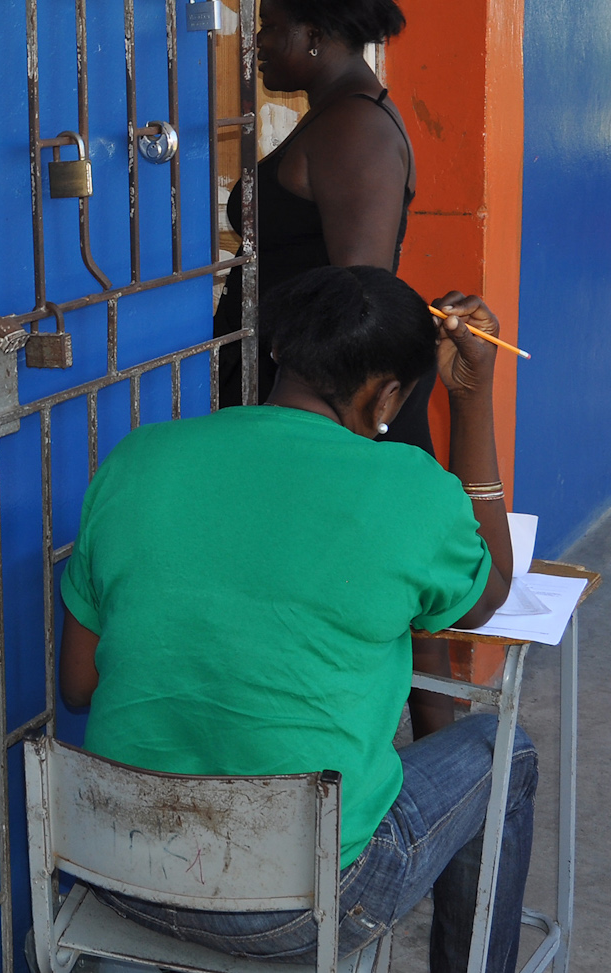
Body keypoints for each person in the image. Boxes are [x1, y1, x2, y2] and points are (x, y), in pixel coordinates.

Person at [59, 266, 530, 972]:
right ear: (388, 396)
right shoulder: (408, 490)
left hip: (118, 868)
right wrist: (470, 398)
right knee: (504, 750)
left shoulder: (137, 459)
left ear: (280, 350)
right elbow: (491, 588)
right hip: (300, 903)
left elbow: (78, 683)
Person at [214, 0, 421, 439]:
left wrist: (317, 421)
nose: (257, 41)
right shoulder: (336, 114)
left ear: (313, 36)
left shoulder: (354, 128)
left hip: (310, 399)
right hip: (285, 375)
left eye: (270, 25)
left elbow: (359, 296)